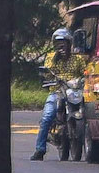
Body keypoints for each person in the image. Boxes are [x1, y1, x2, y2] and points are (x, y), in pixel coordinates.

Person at [32, 28, 80, 160]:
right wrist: (57, 58)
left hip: (73, 92)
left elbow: (85, 72)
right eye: (58, 43)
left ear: (69, 43)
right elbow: (47, 71)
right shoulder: (51, 58)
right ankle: (40, 149)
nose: (61, 45)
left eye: (64, 42)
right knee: (47, 117)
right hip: (56, 92)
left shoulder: (78, 59)